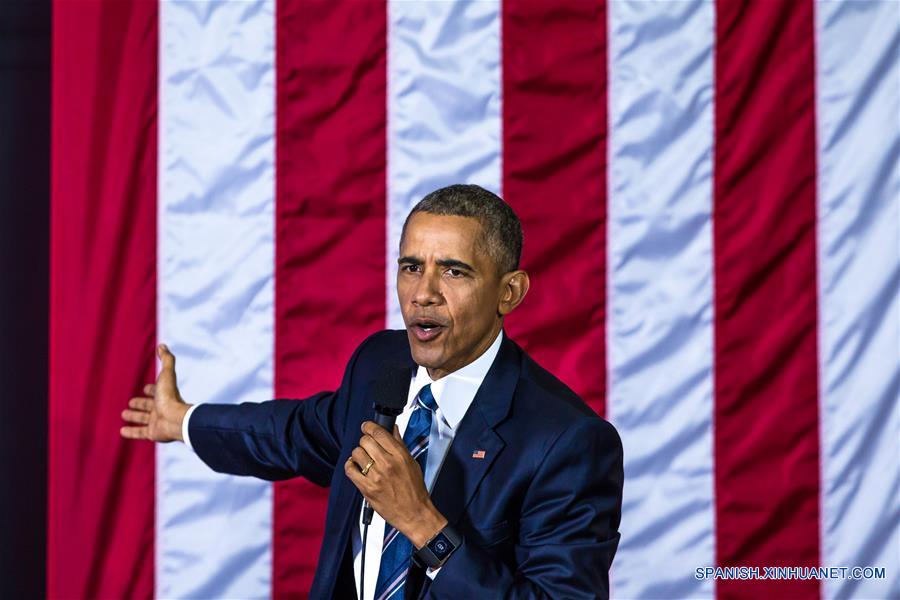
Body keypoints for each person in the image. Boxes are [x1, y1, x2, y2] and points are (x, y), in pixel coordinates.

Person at [121, 184, 624, 599]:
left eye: (453, 271)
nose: (423, 293)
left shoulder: (568, 441)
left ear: (509, 292)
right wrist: (182, 420)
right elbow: (294, 433)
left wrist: (423, 524)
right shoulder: (381, 364)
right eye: (411, 267)